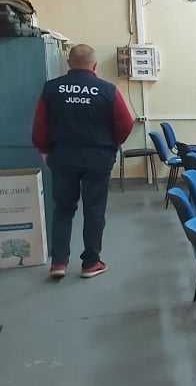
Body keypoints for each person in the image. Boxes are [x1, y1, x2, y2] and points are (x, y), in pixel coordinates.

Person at [31, 44, 134, 279]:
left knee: (63, 209)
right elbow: (125, 124)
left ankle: (59, 263)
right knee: (94, 210)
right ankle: (90, 263)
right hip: (98, 159)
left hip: (62, 158)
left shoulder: (51, 89)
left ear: (69, 64)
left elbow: (39, 127)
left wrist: (44, 149)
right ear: (94, 65)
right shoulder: (107, 90)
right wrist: (111, 144)